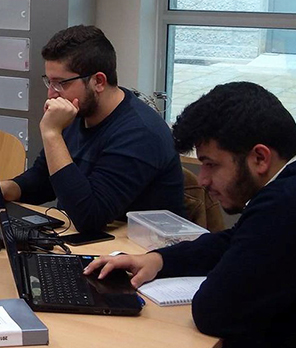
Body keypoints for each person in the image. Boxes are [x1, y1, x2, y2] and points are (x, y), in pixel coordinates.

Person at [84, 82, 296, 348]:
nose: (202, 180)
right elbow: (234, 239)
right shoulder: (283, 188)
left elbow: (214, 312)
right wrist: (159, 260)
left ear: (260, 158)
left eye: (211, 164)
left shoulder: (283, 204)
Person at [0, 25, 184, 232]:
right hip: (97, 243)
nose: (51, 93)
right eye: (49, 81)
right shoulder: (78, 113)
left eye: (62, 83)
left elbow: (89, 217)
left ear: (98, 81)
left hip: (137, 249)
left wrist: (52, 134)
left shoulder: (140, 132)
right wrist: (3, 189)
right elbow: (43, 179)